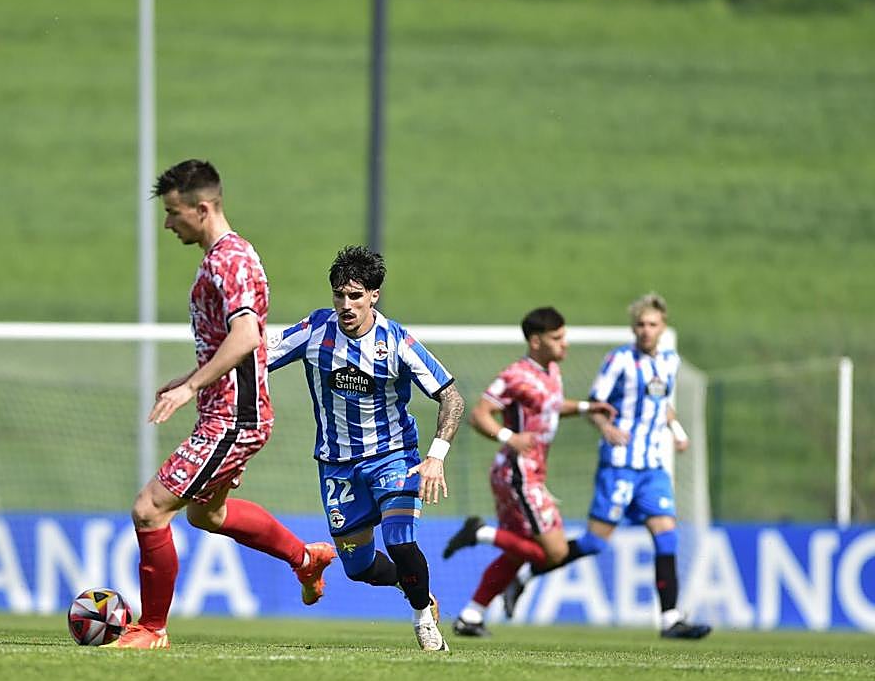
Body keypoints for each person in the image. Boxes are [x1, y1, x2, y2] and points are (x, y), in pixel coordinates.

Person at [105, 159, 335, 650]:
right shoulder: (222, 258)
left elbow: (248, 335)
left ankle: (152, 629)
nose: (168, 224)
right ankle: (305, 559)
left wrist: (190, 389)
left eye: (173, 213)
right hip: (230, 411)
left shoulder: (231, 260)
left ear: (202, 208)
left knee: (149, 510)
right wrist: (190, 378)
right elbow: (230, 345)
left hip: (234, 417)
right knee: (207, 516)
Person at [268, 246, 465, 652]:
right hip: (337, 465)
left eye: (355, 296)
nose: (346, 305)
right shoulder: (315, 331)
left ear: (374, 295)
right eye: (339, 295)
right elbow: (256, 356)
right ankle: (415, 590)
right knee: (359, 567)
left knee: (399, 538)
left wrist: (435, 456)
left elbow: (451, 396)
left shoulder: (396, 342)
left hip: (394, 457)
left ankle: (424, 623)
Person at [487, 294, 711, 640]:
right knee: (594, 543)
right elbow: (597, 404)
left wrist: (677, 433)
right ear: (633, 328)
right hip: (620, 465)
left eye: (652, 325)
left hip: (653, 468)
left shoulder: (671, 361)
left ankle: (670, 620)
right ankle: (524, 576)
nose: (646, 331)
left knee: (667, 536)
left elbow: (663, 405)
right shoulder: (620, 360)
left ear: (663, 327)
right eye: (640, 324)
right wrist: (606, 428)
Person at [441, 307, 615, 636]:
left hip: (525, 473)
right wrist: (510, 436)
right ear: (536, 341)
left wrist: (584, 407)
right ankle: (479, 532)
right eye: (557, 338)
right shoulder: (516, 375)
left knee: (517, 550)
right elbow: (480, 414)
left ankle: (471, 616)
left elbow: (547, 408)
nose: (565, 344)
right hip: (518, 474)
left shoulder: (551, 372)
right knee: (556, 552)